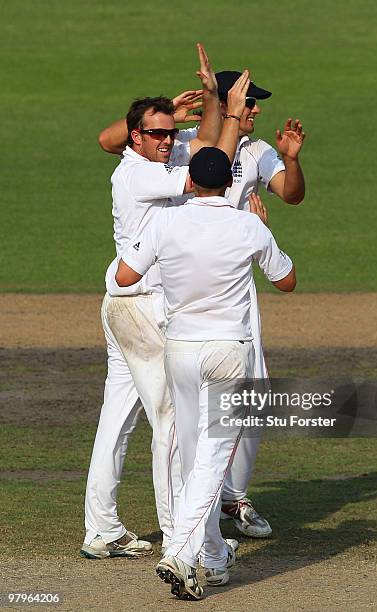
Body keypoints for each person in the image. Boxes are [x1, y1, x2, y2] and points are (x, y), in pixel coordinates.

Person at [98, 69, 306, 539]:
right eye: (248, 104)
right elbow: (111, 140)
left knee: (246, 395)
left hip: (220, 278)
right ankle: (189, 532)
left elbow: (291, 194)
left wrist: (291, 162)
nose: (255, 111)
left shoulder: (255, 151)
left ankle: (229, 499)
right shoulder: (187, 138)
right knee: (180, 419)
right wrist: (183, 115)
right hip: (175, 284)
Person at [81, 43, 249, 559]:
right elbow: (211, 169)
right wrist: (229, 116)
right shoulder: (139, 172)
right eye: (156, 133)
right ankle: (181, 535)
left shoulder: (164, 151)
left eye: (169, 133)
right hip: (143, 306)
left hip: (124, 303)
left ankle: (101, 529)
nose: (167, 140)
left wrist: (210, 103)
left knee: (117, 418)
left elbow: (201, 145)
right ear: (136, 137)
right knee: (171, 422)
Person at [115, 146, 296, 600]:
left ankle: (213, 561)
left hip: (180, 350)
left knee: (194, 456)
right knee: (213, 461)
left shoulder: (163, 222)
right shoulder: (247, 224)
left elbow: (124, 276)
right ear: (229, 184)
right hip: (226, 351)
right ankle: (180, 550)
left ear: (190, 180)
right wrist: (261, 236)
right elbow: (287, 280)